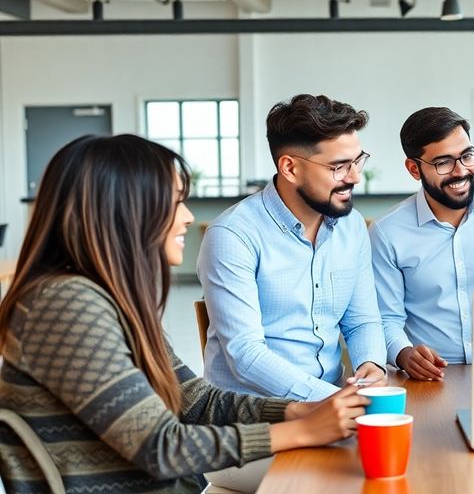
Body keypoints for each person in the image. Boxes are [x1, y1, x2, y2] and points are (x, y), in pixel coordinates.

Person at [0, 135, 370, 493]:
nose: (189, 218)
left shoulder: (109, 299)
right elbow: (159, 447)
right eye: (176, 202)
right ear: (125, 211)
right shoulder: (66, 304)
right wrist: (303, 430)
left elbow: (195, 400)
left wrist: (295, 411)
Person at [198, 95, 387, 402]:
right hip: (255, 416)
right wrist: (334, 400)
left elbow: (363, 320)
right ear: (290, 168)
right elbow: (246, 356)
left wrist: (371, 364)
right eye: (339, 166)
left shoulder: (351, 226)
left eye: (357, 161)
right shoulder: (232, 235)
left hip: (334, 406)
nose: (355, 177)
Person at [370, 107, 474, 381]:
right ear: (414, 168)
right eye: (443, 162)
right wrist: (404, 353)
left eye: (467, 156)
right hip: (429, 380)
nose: (460, 171)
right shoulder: (387, 232)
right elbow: (386, 319)